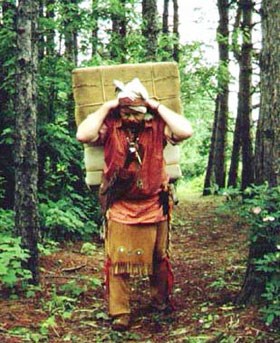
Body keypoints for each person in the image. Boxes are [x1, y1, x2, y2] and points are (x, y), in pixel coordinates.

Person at [76, 78, 193, 331]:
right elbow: (83, 134)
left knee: (159, 258)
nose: (131, 117)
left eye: (136, 112)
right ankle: (120, 312)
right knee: (118, 261)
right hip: (120, 204)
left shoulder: (157, 125)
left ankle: (161, 302)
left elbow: (185, 131)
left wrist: (155, 105)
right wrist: (107, 106)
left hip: (154, 202)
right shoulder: (111, 126)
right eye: (126, 111)